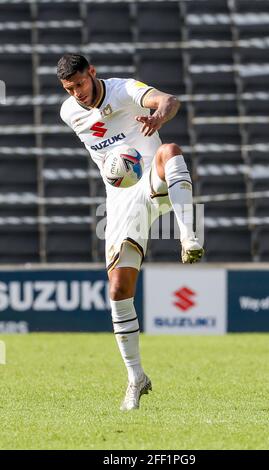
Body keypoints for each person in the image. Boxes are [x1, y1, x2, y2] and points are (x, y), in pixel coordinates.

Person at [57, 54, 204, 411]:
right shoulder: (69, 112)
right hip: (121, 198)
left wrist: (157, 117)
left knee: (169, 150)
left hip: (154, 177)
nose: (77, 92)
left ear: (92, 72)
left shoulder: (123, 90)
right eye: (69, 88)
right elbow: (100, 127)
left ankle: (189, 236)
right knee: (119, 290)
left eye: (80, 83)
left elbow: (169, 100)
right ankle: (136, 377)